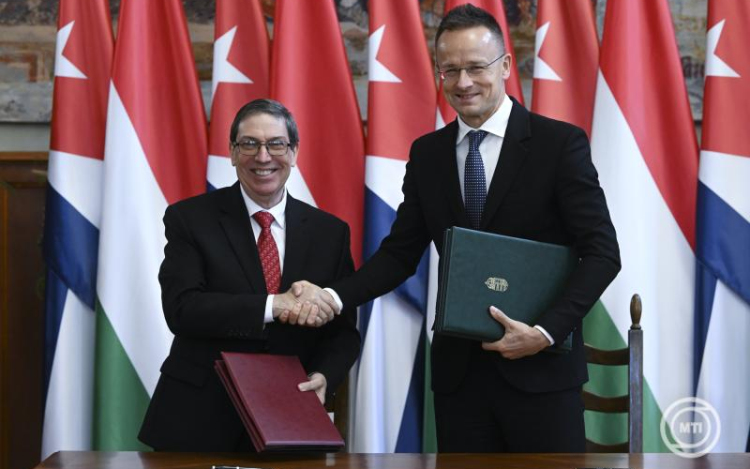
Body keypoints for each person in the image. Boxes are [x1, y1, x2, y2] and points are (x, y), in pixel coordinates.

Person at [287, 4, 620, 453]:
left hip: (541, 375)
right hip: (460, 382)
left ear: (505, 66)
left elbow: (602, 253)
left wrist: (544, 332)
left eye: (476, 67)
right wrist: (332, 296)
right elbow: (399, 255)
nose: (463, 83)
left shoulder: (558, 144)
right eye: (450, 70)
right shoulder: (428, 154)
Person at [138, 99, 360, 452]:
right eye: (249, 144)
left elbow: (344, 331)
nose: (263, 156)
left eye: (276, 144)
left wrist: (324, 376)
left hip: (291, 414)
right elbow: (182, 309)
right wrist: (274, 306)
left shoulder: (330, 232)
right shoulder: (190, 219)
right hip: (199, 418)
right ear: (232, 152)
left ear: (294, 152)